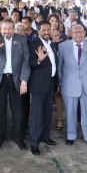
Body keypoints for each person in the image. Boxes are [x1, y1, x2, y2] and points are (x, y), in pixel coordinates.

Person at [0, 19, 31, 150]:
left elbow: (26, 61)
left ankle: (19, 137)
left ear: (14, 29)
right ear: (0, 29)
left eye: (10, 28)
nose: (7, 31)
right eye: (4, 28)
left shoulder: (21, 39)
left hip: (16, 79)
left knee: (18, 110)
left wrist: (24, 81)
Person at [58, 24, 87, 148]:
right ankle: (70, 135)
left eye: (81, 31)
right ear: (70, 33)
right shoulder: (63, 46)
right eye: (75, 31)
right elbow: (60, 67)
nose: (78, 34)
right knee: (70, 112)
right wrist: (60, 83)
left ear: (85, 32)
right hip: (70, 84)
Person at [28, 21, 59, 155]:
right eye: (43, 30)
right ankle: (35, 142)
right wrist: (39, 60)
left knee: (48, 113)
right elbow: (29, 63)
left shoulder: (52, 44)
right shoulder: (33, 44)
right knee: (37, 115)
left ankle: (45, 136)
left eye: (48, 30)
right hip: (38, 85)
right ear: (38, 31)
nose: (46, 32)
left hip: (51, 83)